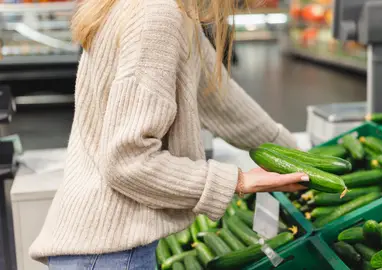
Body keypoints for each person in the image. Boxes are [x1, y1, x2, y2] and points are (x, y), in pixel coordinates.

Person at [29, 0, 308, 269]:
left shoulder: (170, 10)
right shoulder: (158, 14)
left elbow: (220, 99)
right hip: (109, 254)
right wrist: (237, 180)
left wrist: (294, 154)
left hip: (102, 247)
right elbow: (128, 161)